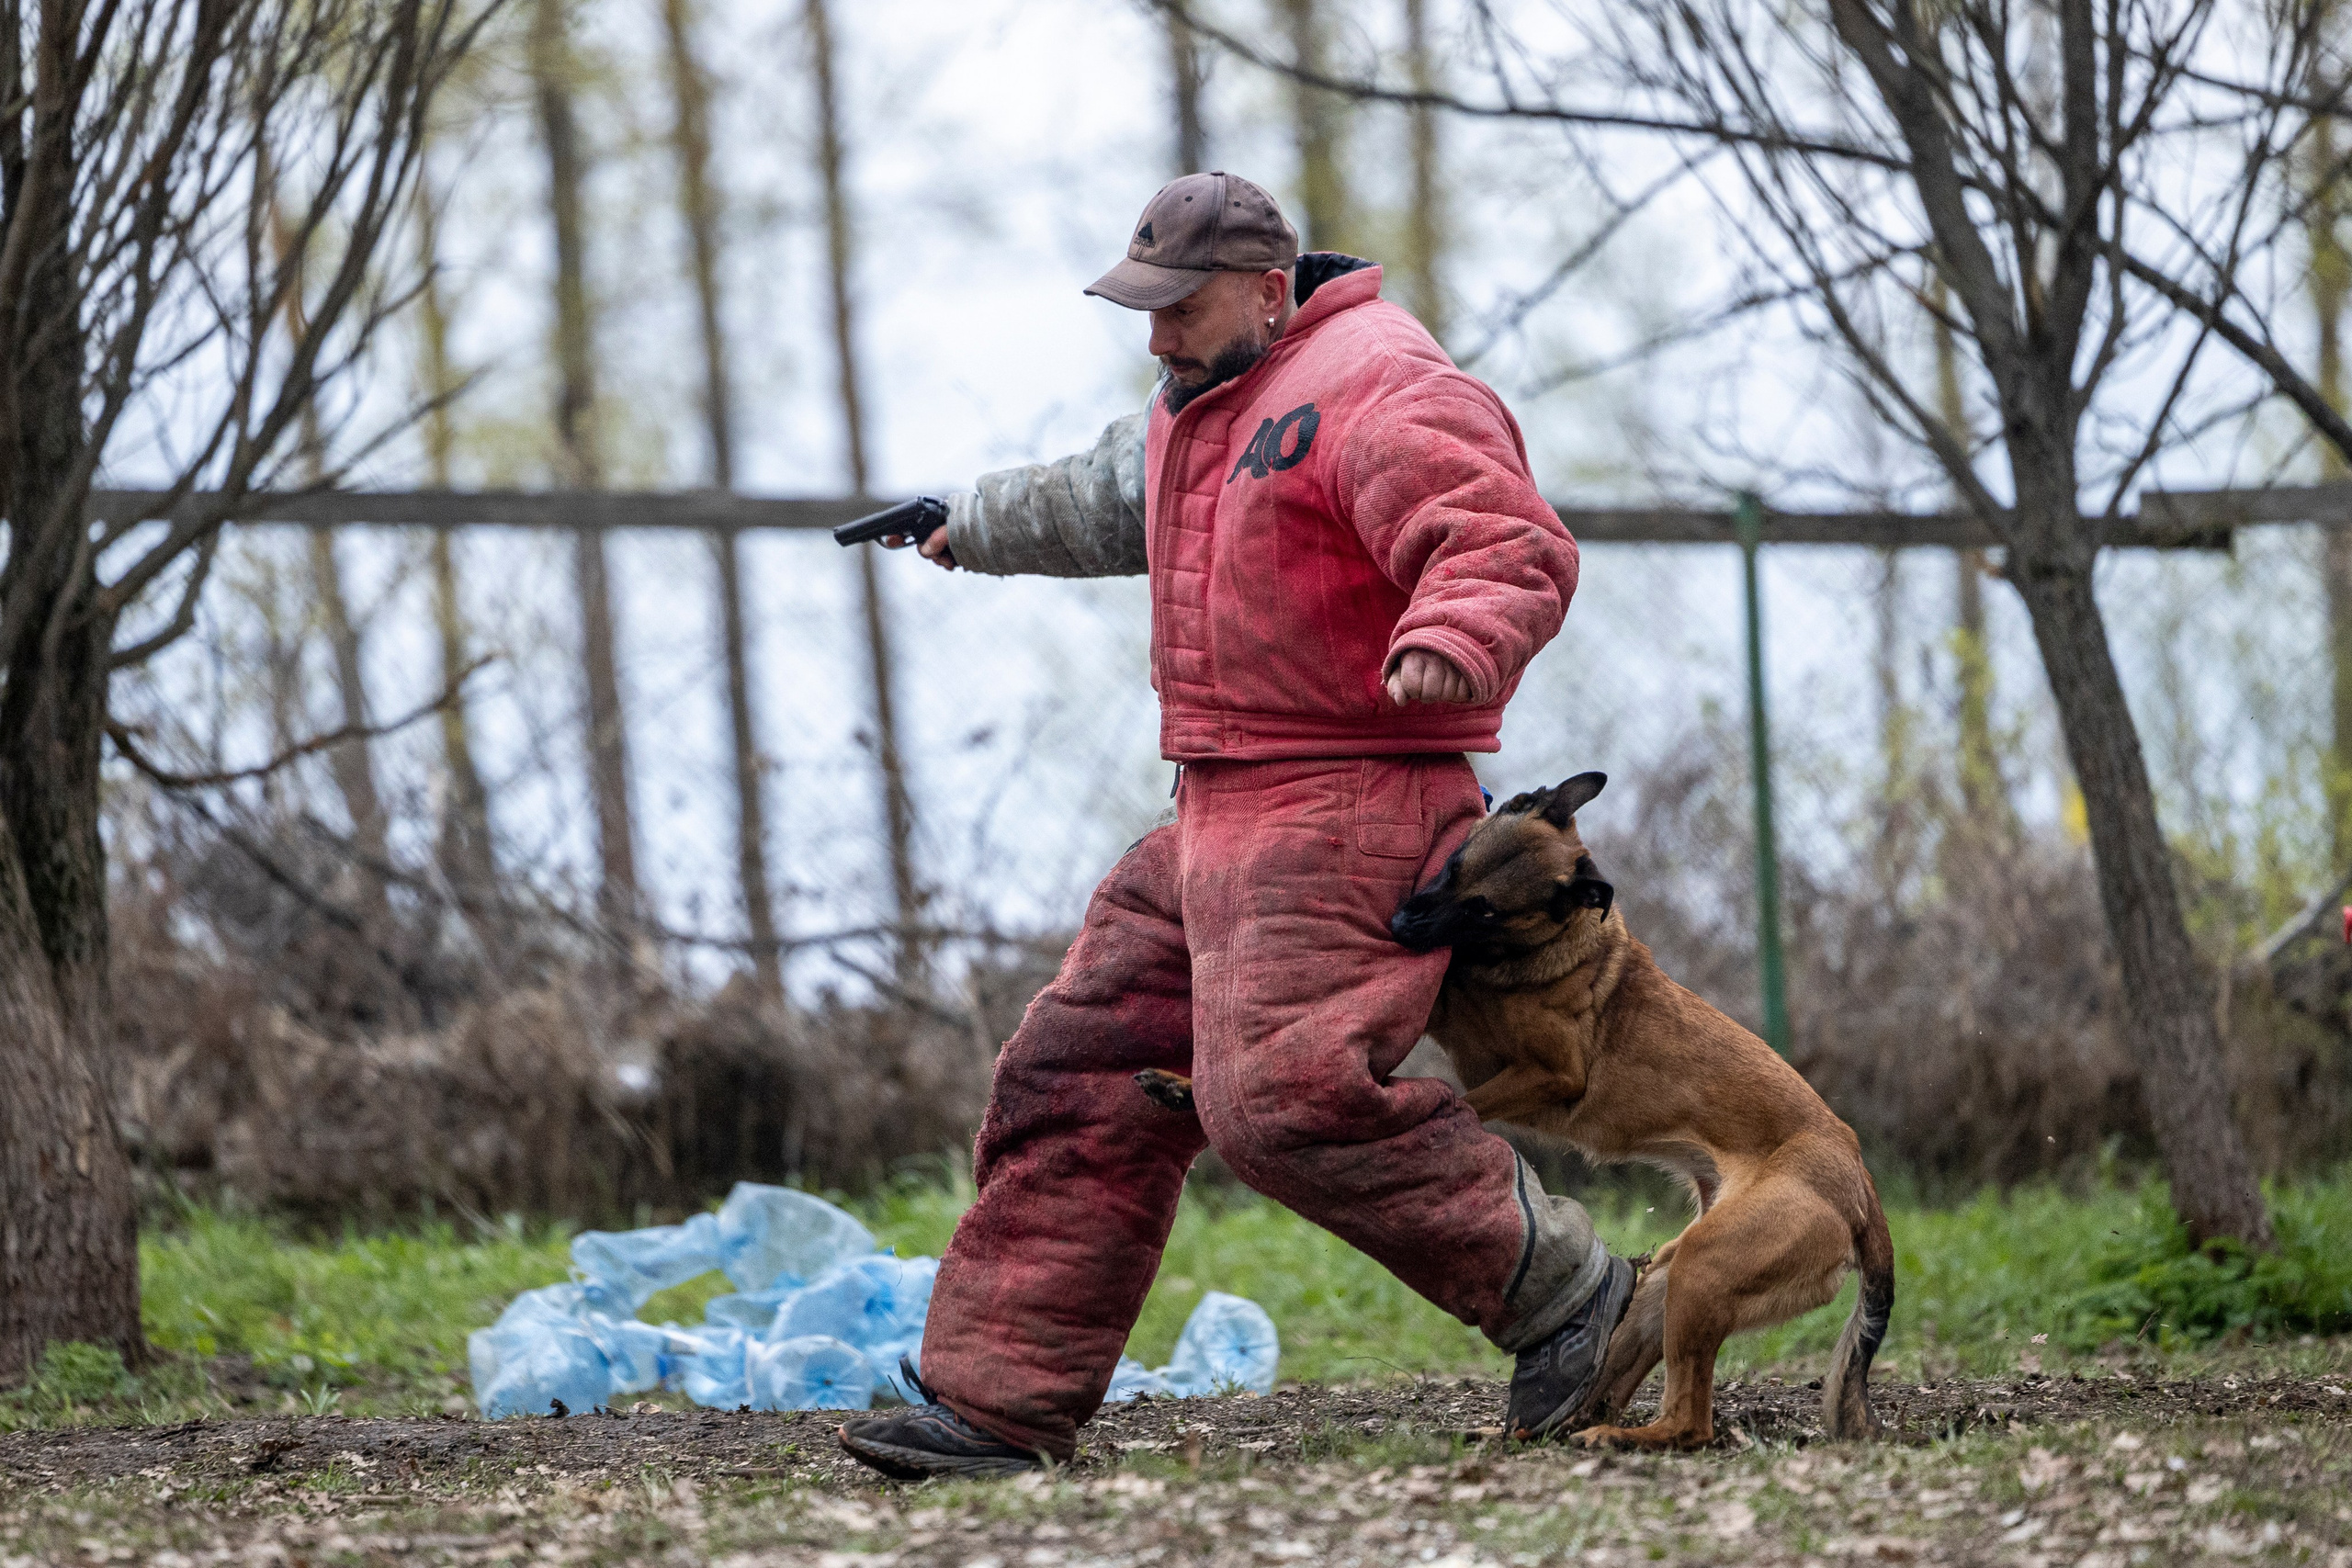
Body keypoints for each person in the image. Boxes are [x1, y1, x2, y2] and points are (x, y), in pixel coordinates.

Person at [836, 172, 1634, 1479]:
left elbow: (1500, 533)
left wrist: (1451, 635)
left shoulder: (1382, 382)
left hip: (1351, 802)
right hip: (1215, 805)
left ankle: (1579, 1307)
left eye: (1178, 308)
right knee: (1081, 1066)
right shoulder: (1198, 400)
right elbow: (1112, 494)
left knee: (1280, 1103)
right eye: (1141, 310)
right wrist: (960, 520)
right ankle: (996, 1406)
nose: (1154, 336)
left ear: (1271, 289)